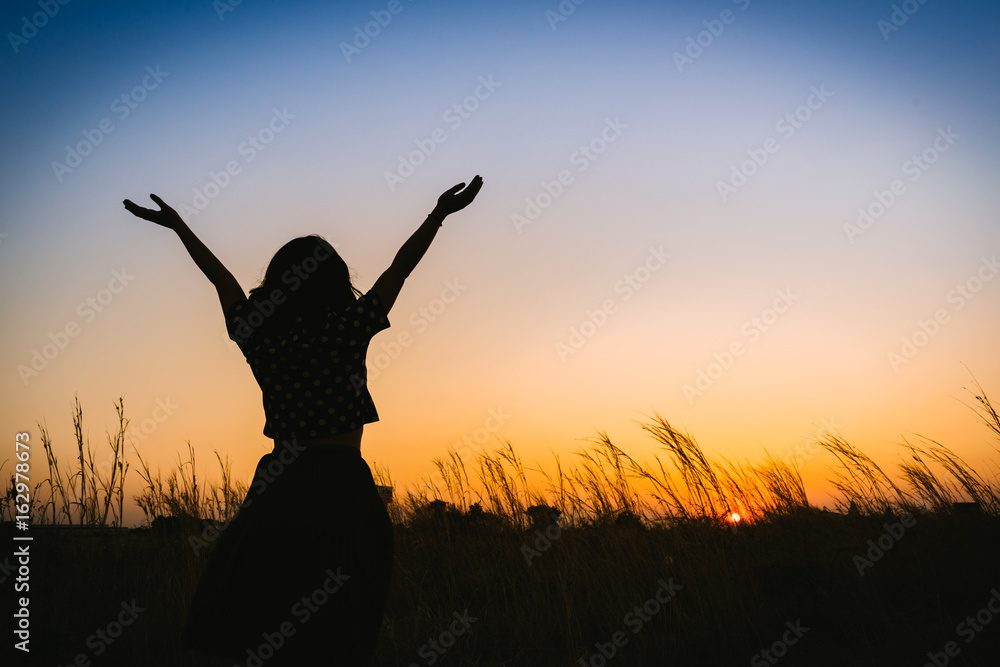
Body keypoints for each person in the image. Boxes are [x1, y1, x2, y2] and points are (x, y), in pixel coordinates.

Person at [123, 175, 484, 665]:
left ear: (277, 283)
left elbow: (221, 279)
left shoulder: (258, 334)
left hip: (278, 486)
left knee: (253, 625)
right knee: (337, 633)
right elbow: (400, 268)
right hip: (340, 489)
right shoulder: (349, 326)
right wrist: (437, 215)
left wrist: (179, 227)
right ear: (336, 281)